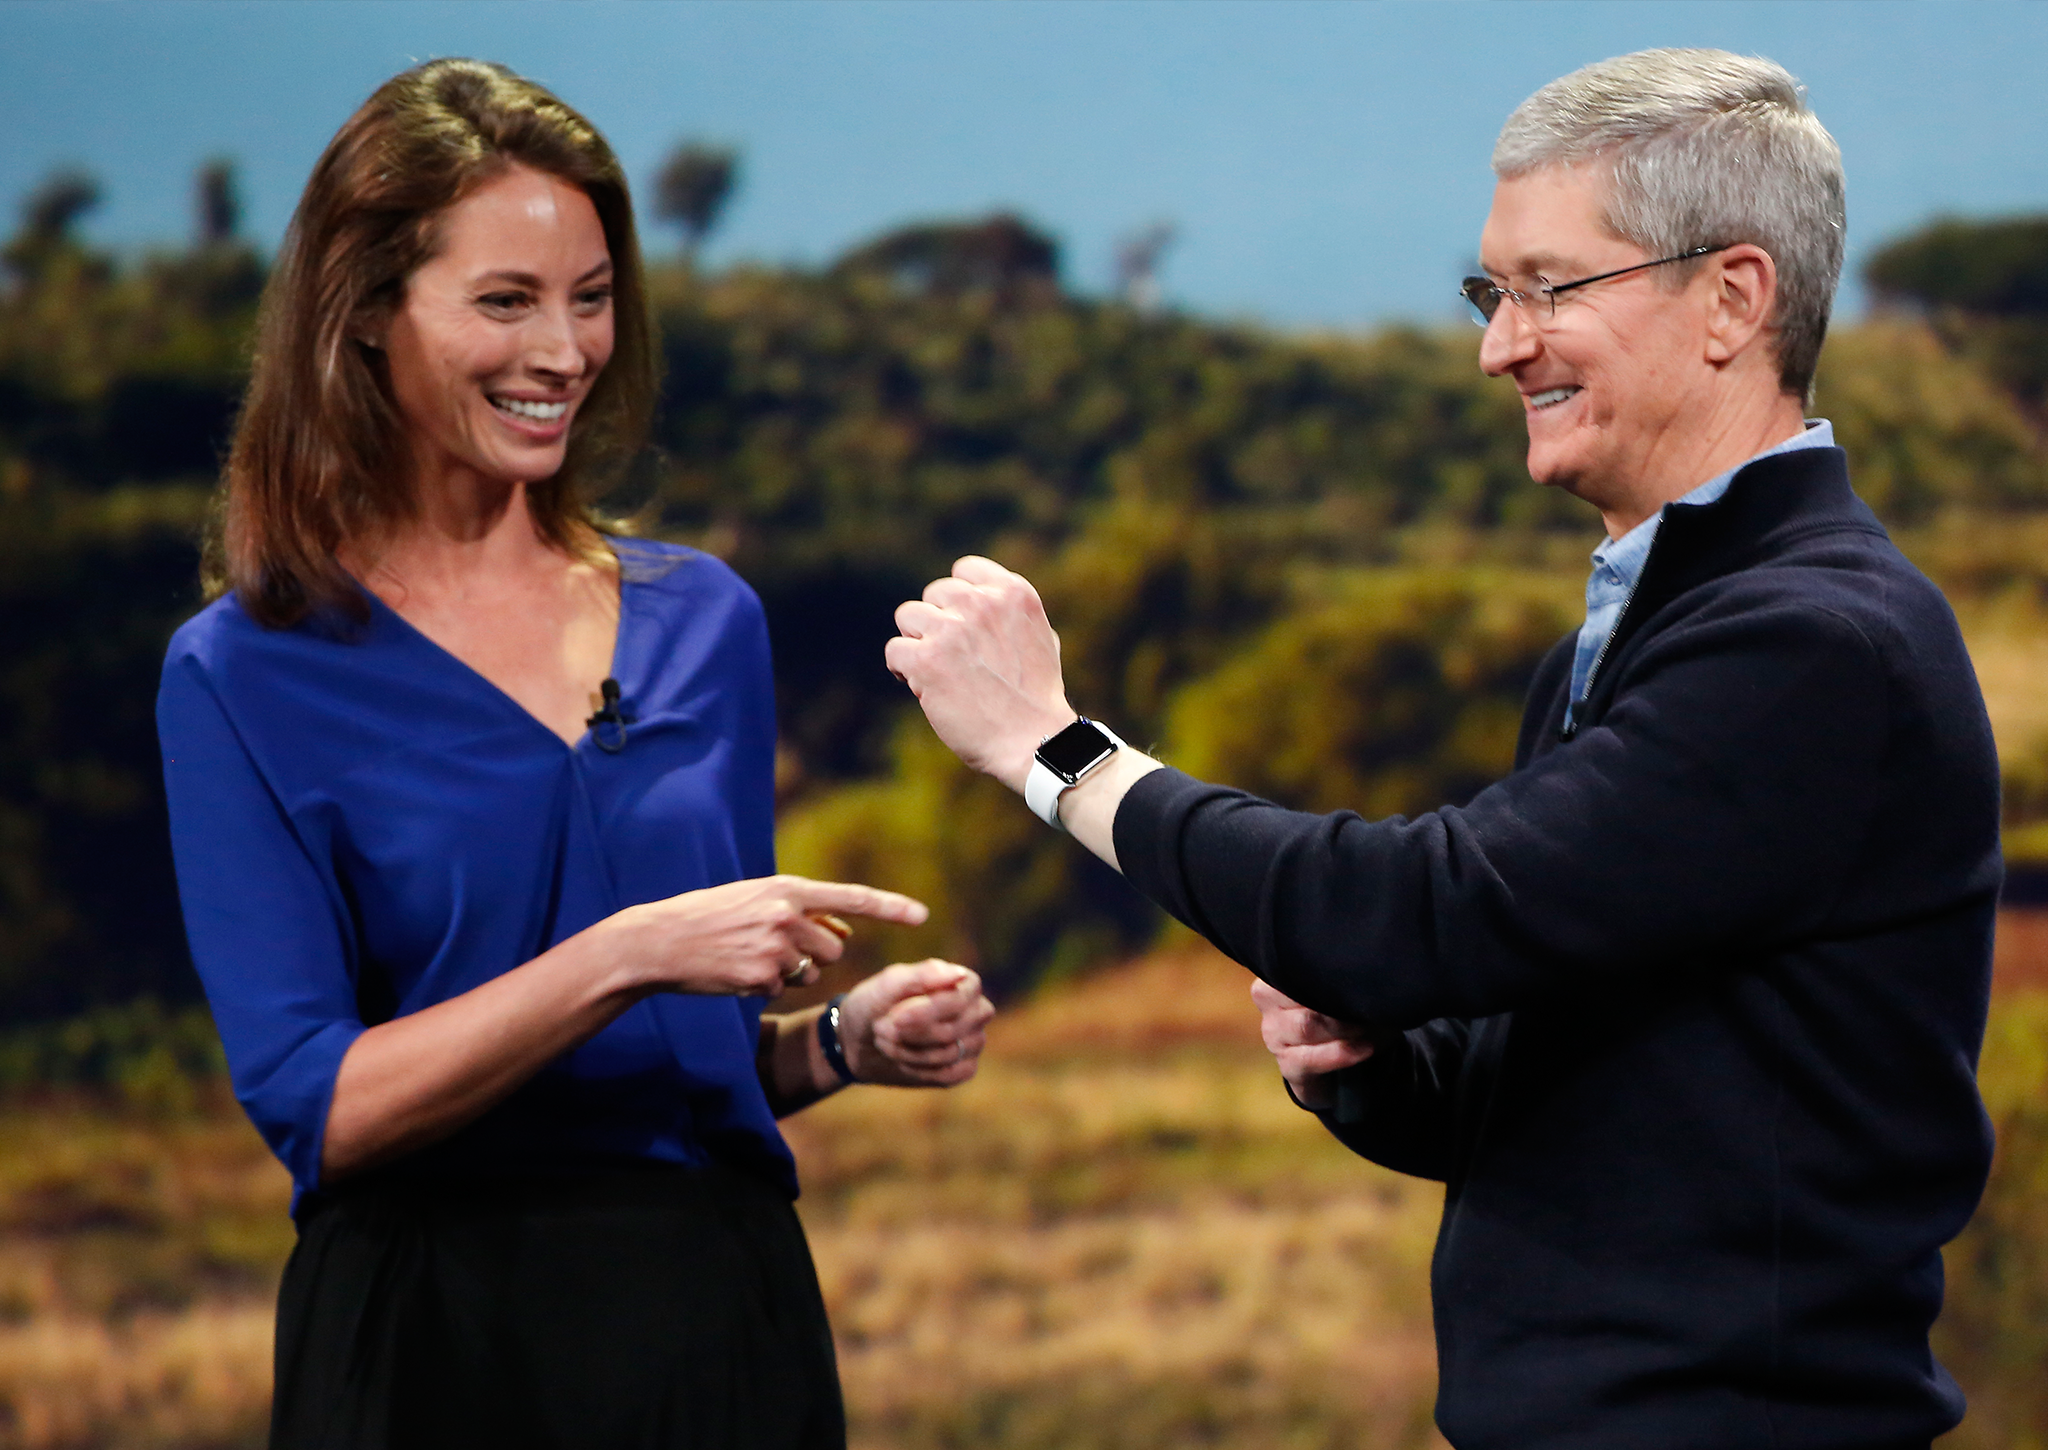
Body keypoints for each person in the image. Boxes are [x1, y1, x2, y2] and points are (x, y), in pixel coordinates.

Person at [885, 48, 2000, 1450]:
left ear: (1732, 298)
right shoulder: (1647, 641)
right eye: (1492, 293)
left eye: (1550, 287)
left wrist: (1062, 753)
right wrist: (1367, 1066)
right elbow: (1529, 1074)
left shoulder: (1811, 647)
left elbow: (1427, 911)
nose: (1499, 344)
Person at [157, 59, 993, 1450]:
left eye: (590, 299)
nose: (563, 350)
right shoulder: (246, 673)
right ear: (365, 316)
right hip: (437, 1341)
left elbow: (679, 1058)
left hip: (715, 1324)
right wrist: (630, 948)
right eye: (506, 301)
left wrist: (840, 1041)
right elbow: (325, 1106)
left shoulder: (705, 622)